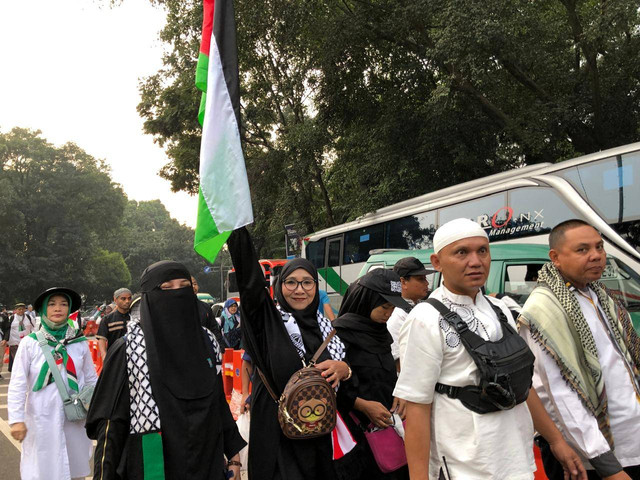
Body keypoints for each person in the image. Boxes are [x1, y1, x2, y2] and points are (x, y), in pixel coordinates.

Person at [394, 218, 586, 480]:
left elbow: (522, 385)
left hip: (514, 458)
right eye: (461, 252)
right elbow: (417, 408)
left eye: (482, 251)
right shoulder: (424, 319)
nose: (476, 261)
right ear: (437, 262)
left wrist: (556, 441)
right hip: (463, 465)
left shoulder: (500, 310)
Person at [86, 261, 245, 479]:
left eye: (184, 286)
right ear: (150, 296)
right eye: (166, 288)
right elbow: (111, 425)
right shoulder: (129, 349)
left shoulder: (207, 342)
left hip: (207, 461)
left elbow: (217, 402)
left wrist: (234, 456)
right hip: (155, 465)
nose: (177, 294)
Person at [227, 227, 353, 480]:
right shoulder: (268, 323)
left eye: (307, 282)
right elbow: (251, 285)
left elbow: (346, 374)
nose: (299, 290)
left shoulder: (326, 326)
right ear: (278, 285)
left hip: (319, 430)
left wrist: (344, 370)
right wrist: (236, 228)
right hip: (277, 435)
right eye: (291, 282)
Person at [519, 219, 640, 480]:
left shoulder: (602, 296)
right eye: (582, 250)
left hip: (631, 443)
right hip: (591, 459)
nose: (596, 256)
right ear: (556, 257)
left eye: (599, 247)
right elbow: (557, 396)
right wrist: (608, 466)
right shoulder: (544, 310)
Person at [8, 287, 97, 480]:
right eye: (52, 304)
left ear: (70, 309)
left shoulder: (79, 342)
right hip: (41, 417)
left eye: (64, 304)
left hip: (75, 418)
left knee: (75, 469)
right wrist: (16, 419)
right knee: (41, 469)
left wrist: (97, 411)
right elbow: (17, 384)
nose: (58, 308)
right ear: (42, 310)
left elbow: (91, 379)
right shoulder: (30, 343)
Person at [334, 268, 412, 479]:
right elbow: (332, 388)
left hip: (388, 428)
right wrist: (362, 405)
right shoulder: (340, 333)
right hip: (357, 433)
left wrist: (400, 392)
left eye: (393, 308)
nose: (389, 313)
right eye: (385, 307)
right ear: (367, 300)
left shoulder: (381, 333)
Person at [386, 257, 433, 368]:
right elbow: (399, 364)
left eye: (425, 278)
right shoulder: (396, 315)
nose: (426, 283)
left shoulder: (425, 306)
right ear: (403, 282)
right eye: (421, 279)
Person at [96, 287, 132, 360]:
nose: (127, 301)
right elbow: (102, 339)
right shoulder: (107, 319)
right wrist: (104, 356)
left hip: (133, 357)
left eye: (129, 298)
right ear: (115, 300)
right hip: (114, 357)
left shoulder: (134, 317)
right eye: (123, 299)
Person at [192, 275, 227, 350]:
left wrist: (220, 345)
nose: (193, 287)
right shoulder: (179, 307)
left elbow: (214, 328)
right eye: (190, 284)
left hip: (205, 349)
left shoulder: (205, 307)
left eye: (195, 284)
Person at [8, 303, 34, 372]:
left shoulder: (29, 317)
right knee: (17, 360)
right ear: (15, 310)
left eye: (22, 309)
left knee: (25, 359)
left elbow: (34, 329)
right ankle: (18, 373)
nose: (21, 311)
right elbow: (7, 329)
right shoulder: (11, 318)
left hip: (26, 343)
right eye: (19, 309)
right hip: (14, 343)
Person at [0, 306, 10, 379]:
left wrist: (5, 339)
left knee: (0, 359)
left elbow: (7, 329)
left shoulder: (4, 317)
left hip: (1, 341)